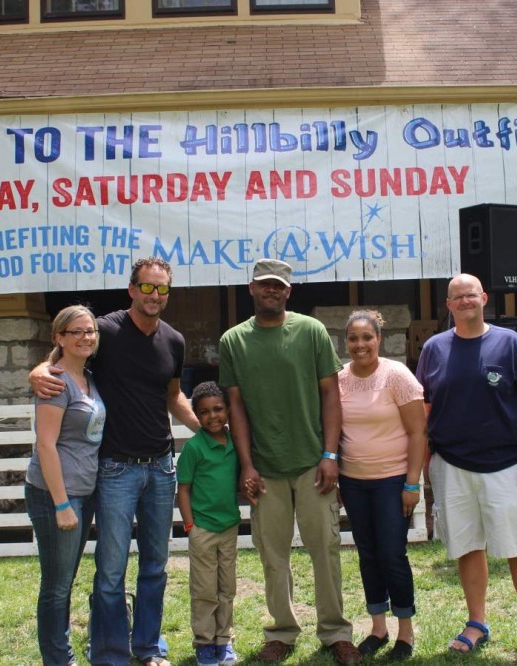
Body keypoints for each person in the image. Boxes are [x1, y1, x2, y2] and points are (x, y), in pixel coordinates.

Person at [30, 256, 200, 666]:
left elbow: (173, 395)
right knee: (110, 570)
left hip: (161, 468)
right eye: (147, 287)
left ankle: (148, 648)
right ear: (132, 289)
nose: (154, 295)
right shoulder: (105, 331)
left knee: (156, 566)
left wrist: (207, 429)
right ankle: (109, 655)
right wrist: (38, 370)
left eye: (162, 288)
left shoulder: (174, 340)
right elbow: (67, 353)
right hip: (116, 469)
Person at [217, 258, 362, 665]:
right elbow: (235, 406)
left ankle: (335, 631)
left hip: (312, 462)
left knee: (325, 549)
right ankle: (281, 631)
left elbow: (331, 394)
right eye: (264, 284)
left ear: (288, 291)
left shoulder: (311, 331)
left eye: (278, 285)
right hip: (265, 468)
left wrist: (330, 454)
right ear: (251, 288)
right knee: (272, 554)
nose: (271, 290)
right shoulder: (233, 340)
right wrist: (247, 464)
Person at [415, 273, 517, 664]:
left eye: (470, 295)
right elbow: (424, 409)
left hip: (505, 466)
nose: (464, 301)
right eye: (456, 297)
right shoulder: (434, 349)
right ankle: (477, 622)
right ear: (448, 305)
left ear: (484, 298)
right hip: (451, 466)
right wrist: (425, 463)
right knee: (467, 547)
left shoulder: (510, 344)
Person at [337, 310, 427, 661]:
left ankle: (405, 631)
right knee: (368, 555)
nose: (360, 345)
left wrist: (412, 484)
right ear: (346, 342)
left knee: (392, 555)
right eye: (353, 338)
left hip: (392, 481)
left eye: (367, 337)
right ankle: (378, 628)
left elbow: (417, 432)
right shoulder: (340, 380)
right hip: (354, 482)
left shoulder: (397, 376)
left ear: (379, 339)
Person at [25, 305, 105, 665]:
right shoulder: (54, 382)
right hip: (56, 494)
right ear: (59, 337)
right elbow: (45, 444)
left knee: (65, 579)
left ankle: (62, 651)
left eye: (90, 331)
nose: (86, 337)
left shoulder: (87, 376)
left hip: (83, 491)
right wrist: (61, 505)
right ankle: (58, 659)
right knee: (56, 587)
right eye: (77, 332)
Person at [176, 381, 240, 666]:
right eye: (204, 412)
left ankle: (224, 640)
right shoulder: (194, 448)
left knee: (227, 587)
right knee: (204, 590)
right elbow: (183, 489)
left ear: (227, 410)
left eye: (218, 409)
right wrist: (190, 525)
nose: (213, 416)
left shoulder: (235, 443)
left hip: (229, 527)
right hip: (203, 529)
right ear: (197, 415)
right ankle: (204, 642)